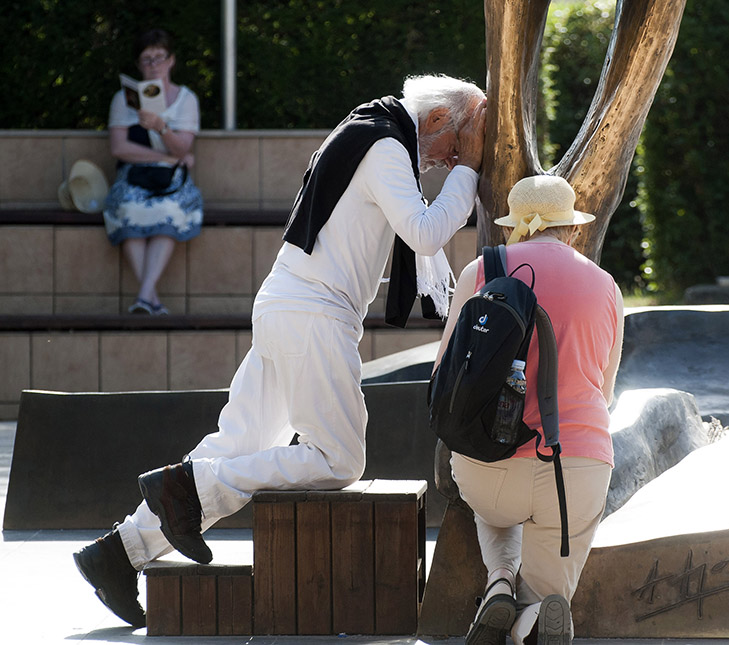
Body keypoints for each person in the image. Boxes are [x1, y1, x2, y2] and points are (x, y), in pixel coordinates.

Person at [73, 74, 486, 627]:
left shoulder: (369, 128)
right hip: (313, 313)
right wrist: (470, 168)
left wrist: (461, 159)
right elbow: (426, 232)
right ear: (436, 120)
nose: (444, 160)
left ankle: (115, 554)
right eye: (452, 145)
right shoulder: (387, 145)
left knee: (237, 443)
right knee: (338, 459)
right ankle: (187, 486)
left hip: (289, 303)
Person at [435, 175, 624, 645]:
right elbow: (605, 391)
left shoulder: (481, 271)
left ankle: (498, 580)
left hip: (491, 464)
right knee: (547, 585)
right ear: (572, 229)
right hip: (576, 469)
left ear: (514, 228)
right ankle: (533, 615)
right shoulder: (607, 287)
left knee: (492, 512)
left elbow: (445, 374)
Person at [102, 28, 203, 315]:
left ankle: (144, 297)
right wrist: (167, 157)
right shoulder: (123, 100)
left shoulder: (186, 99)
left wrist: (160, 127)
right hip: (135, 175)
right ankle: (151, 299)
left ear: (171, 60)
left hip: (171, 180)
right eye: (147, 59)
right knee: (128, 207)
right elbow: (119, 148)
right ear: (138, 64)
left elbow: (183, 147)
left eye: (159, 57)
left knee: (169, 208)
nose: (153, 64)